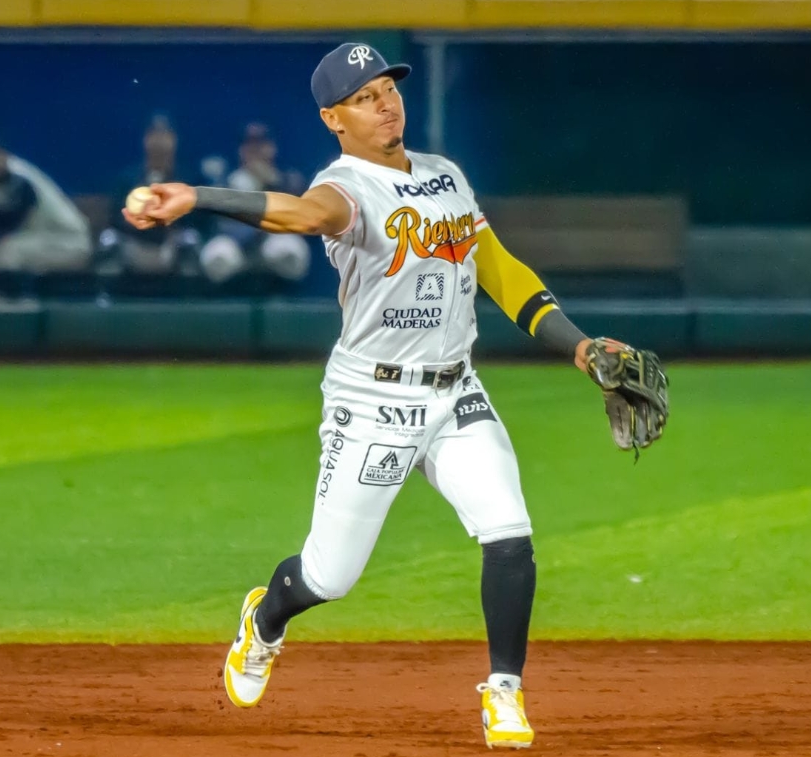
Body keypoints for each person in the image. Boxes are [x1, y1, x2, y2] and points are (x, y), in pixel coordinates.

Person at [122, 43, 664, 750]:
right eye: (365, 96)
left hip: (456, 391)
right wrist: (197, 197)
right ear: (333, 118)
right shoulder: (344, 188)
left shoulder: (445, 176)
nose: (386, 104)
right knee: (329, 575)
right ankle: (265, 620)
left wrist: (580, 345)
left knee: (508, 532)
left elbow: (500, 270)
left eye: (389, 89)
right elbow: (298, 216)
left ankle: (504, 691)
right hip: (372, 402)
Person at [0, 136, 90, 299]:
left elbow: (14, 220)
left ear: (5, 156)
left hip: (69, 242)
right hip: (38, 238)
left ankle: (15, 307)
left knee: (7, 252)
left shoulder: (20, 178)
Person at [198, 123, 311, 285]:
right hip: (236, 245)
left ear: (272, 148)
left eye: (261, 144)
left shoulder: (288, 180)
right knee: (218, 254)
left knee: (289, 250)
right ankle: (223, 298)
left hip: (274, 241)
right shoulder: (228, 182)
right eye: (250, 145)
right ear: (241, 150)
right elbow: (221, 225)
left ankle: (288, 294)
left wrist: (273, 184)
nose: (255, 151)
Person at [101, 116, 201, 277]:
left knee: (190, 240)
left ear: (174, 140)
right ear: (145, 140)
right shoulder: (127, 179)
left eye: (164, 135)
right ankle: (108, 293)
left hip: (172, 245)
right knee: (110, 240)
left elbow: (196, 219)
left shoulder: (187, 180)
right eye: (154, 135)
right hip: (134, 243)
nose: (159, 142)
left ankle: (189, 292)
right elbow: (115, 218)